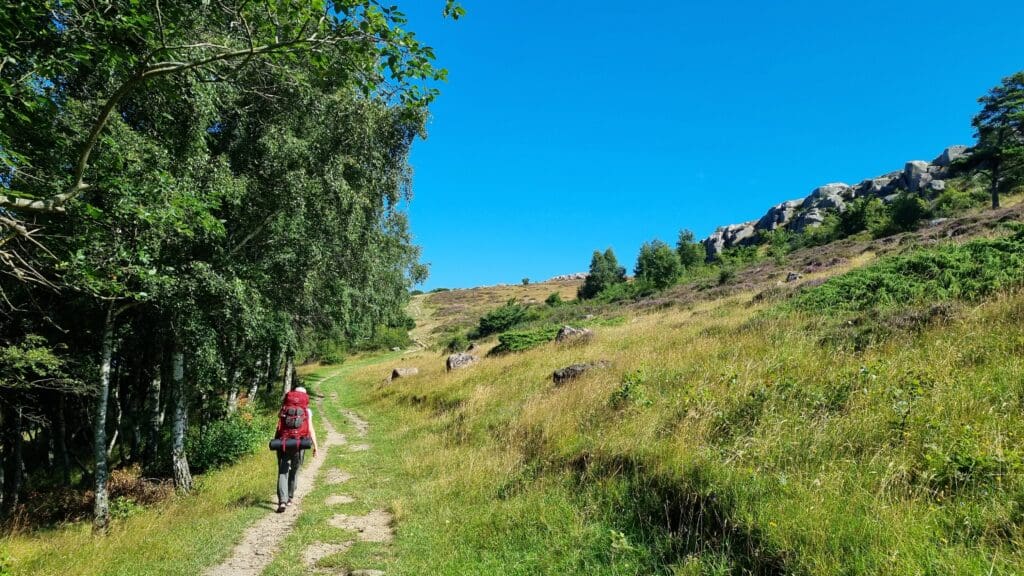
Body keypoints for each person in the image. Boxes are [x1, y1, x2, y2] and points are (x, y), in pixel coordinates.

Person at [275, 386, 318, 513]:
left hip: (284, 442)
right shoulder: (307, 411)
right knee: (295, 470)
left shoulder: (284, 408)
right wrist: (316, 446)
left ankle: (282, 501)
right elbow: (310, 429)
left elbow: (279, 426)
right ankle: (290, 497)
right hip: (300, 443)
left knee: (283, 471)